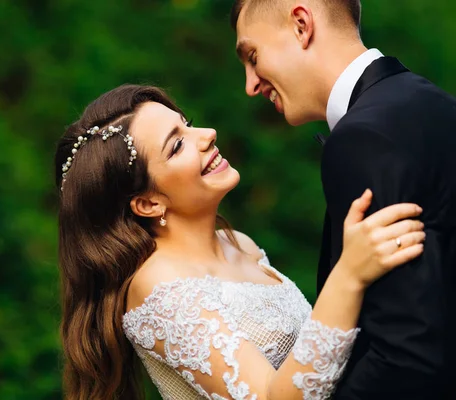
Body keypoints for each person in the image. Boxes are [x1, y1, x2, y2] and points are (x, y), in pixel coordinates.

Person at [56, 84, 425, 399]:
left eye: (186, 123)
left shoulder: (241, 245)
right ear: (148, 203)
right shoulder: (159, 288)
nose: (207, 134)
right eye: (176, 145)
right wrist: (349, 276)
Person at [230, 0, 456, 398]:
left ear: (301, 25)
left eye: (252, 56)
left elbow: (407, 355)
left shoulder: (363, 136)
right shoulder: (432, 102)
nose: (250, 85)